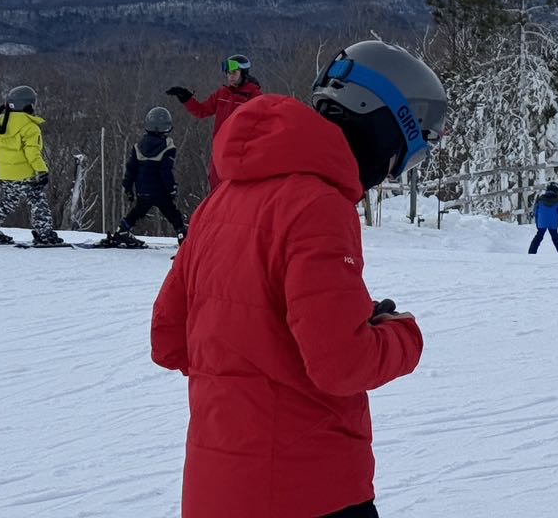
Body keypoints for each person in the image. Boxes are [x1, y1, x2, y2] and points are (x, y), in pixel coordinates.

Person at [152, 39, 447, 518]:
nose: (393, 173)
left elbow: (168, 341)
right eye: (404, 157)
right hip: (309, 490)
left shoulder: (220, 201)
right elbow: (341, 364)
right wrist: (403, 336)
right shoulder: (319, 206)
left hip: (216, 491)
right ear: (384, 129)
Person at [0, 85, 64, 247]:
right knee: (38, 201)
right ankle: (44, 234)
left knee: (8, 200)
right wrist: (42, 170)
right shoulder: (30, 127)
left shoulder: (1, 124)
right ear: (28, 105)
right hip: (25, 173)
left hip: (6, 172)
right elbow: (32, 152)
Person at [166, 53, 264, 188]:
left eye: (234, 73)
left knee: (234, 191)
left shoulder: (255, 97)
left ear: (244, 74)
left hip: (240, 153)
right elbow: (202, 111)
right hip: (220, 151)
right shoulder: (222, 93)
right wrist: (186, 98)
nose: (230, 76)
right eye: (228, 73)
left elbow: (261, 125)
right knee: (216, 190)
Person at [108, 106, 188, 247]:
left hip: (143, 189)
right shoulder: (168, 147)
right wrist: (172, 189)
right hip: (160, 191)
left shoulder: (139, 146)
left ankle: (122, 230)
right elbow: (166, 171)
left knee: (138, 211)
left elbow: (131, 169)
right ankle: (182, 234)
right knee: (172, 213)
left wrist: (128, 187)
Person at [529, 181, 558, 254]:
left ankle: (531, 253)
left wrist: (537, 224)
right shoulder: (557, 200)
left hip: (542, 222)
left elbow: (536, 211)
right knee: (556, 238)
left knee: (538, 237)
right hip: (553, 223)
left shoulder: (540, 199)